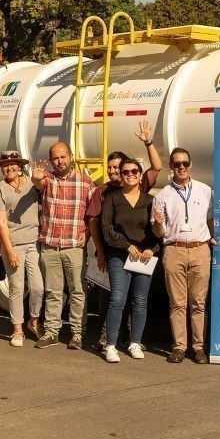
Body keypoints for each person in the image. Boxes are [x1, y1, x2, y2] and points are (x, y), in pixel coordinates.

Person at [86, 121, 163, 348]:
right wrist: (100, 252)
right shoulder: (105, 193)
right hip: (114, 253)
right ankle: (107, 338)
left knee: (137, 299)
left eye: (118, 168)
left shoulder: (141, 189)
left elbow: (157, 167)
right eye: (112, 169)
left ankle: (132, 339)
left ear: (136, 174)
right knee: (111, 297)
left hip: (140, 255)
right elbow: (96, 223)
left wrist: (148, 141)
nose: (115, 172)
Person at [152, 147, 213, 363]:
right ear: (171, 166)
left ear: (190, 164)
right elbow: (158, 232)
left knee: (198, 302)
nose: (181, 167)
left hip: (199, 250)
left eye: (185, 163)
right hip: (174, 249)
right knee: (177, 303)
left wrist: (211, 238)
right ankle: (179, 347)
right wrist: (159, 223)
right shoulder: (162, 196)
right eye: (177, 164)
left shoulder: (205, 191)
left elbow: (211, 219)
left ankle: (198, 348)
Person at [32, 142, 94, 350]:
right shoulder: (48, 179)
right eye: (56, 158)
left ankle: (77, 333)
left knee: (77, 290)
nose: (60, 161)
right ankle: (52, 332)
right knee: (53, 291)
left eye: (63, 157)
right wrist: (36, 175)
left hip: (74, 246)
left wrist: (88, 233)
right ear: (51, 161)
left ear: (71, 156)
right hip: (50, 245)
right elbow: (37, 182)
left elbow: (93, 214)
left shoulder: (85, 182)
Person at [100, 157, 160, 363]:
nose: (131, 175)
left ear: (140, 174)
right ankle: (110, 345)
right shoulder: (113, 199)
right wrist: (127, 245)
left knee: (140, 301)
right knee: (117, 299)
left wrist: (152, 249)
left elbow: (157, 232)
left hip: (144, 258)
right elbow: (107, 231)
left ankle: (135, 342)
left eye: (135, 171)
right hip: (119, 255)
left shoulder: (150, 200)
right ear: (121, 176)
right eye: (126, 172)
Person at [0, 151, 42, 346]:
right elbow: (1, 223)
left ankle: (33, 321)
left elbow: (42, 186)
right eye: (5, 165)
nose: (9, 168)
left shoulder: (31, 184)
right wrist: (9, 250)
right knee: (17, 288)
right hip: (14, 244)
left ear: (20, 166)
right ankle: (17, 330)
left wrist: (39, 178)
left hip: (34, 243)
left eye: (13, 164)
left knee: (37, 287)